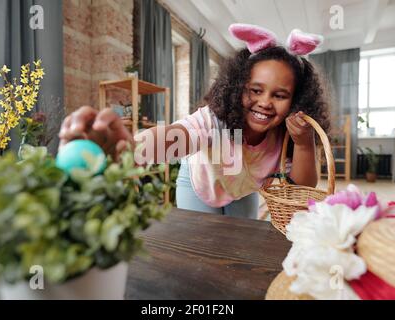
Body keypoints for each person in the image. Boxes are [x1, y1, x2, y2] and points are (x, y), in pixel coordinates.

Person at [59, 24, 330, 220]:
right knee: (201, 245)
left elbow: (302, 188)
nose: (265, 102)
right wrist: (129, 147)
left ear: (296, 101)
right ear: (238, 87)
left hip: (241, 190)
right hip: (199, 183)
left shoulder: (285, 135)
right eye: (255, 90)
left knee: (239, 245)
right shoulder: (217, 119)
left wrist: (304, 143)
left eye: (280, 95)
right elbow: (178, 135)